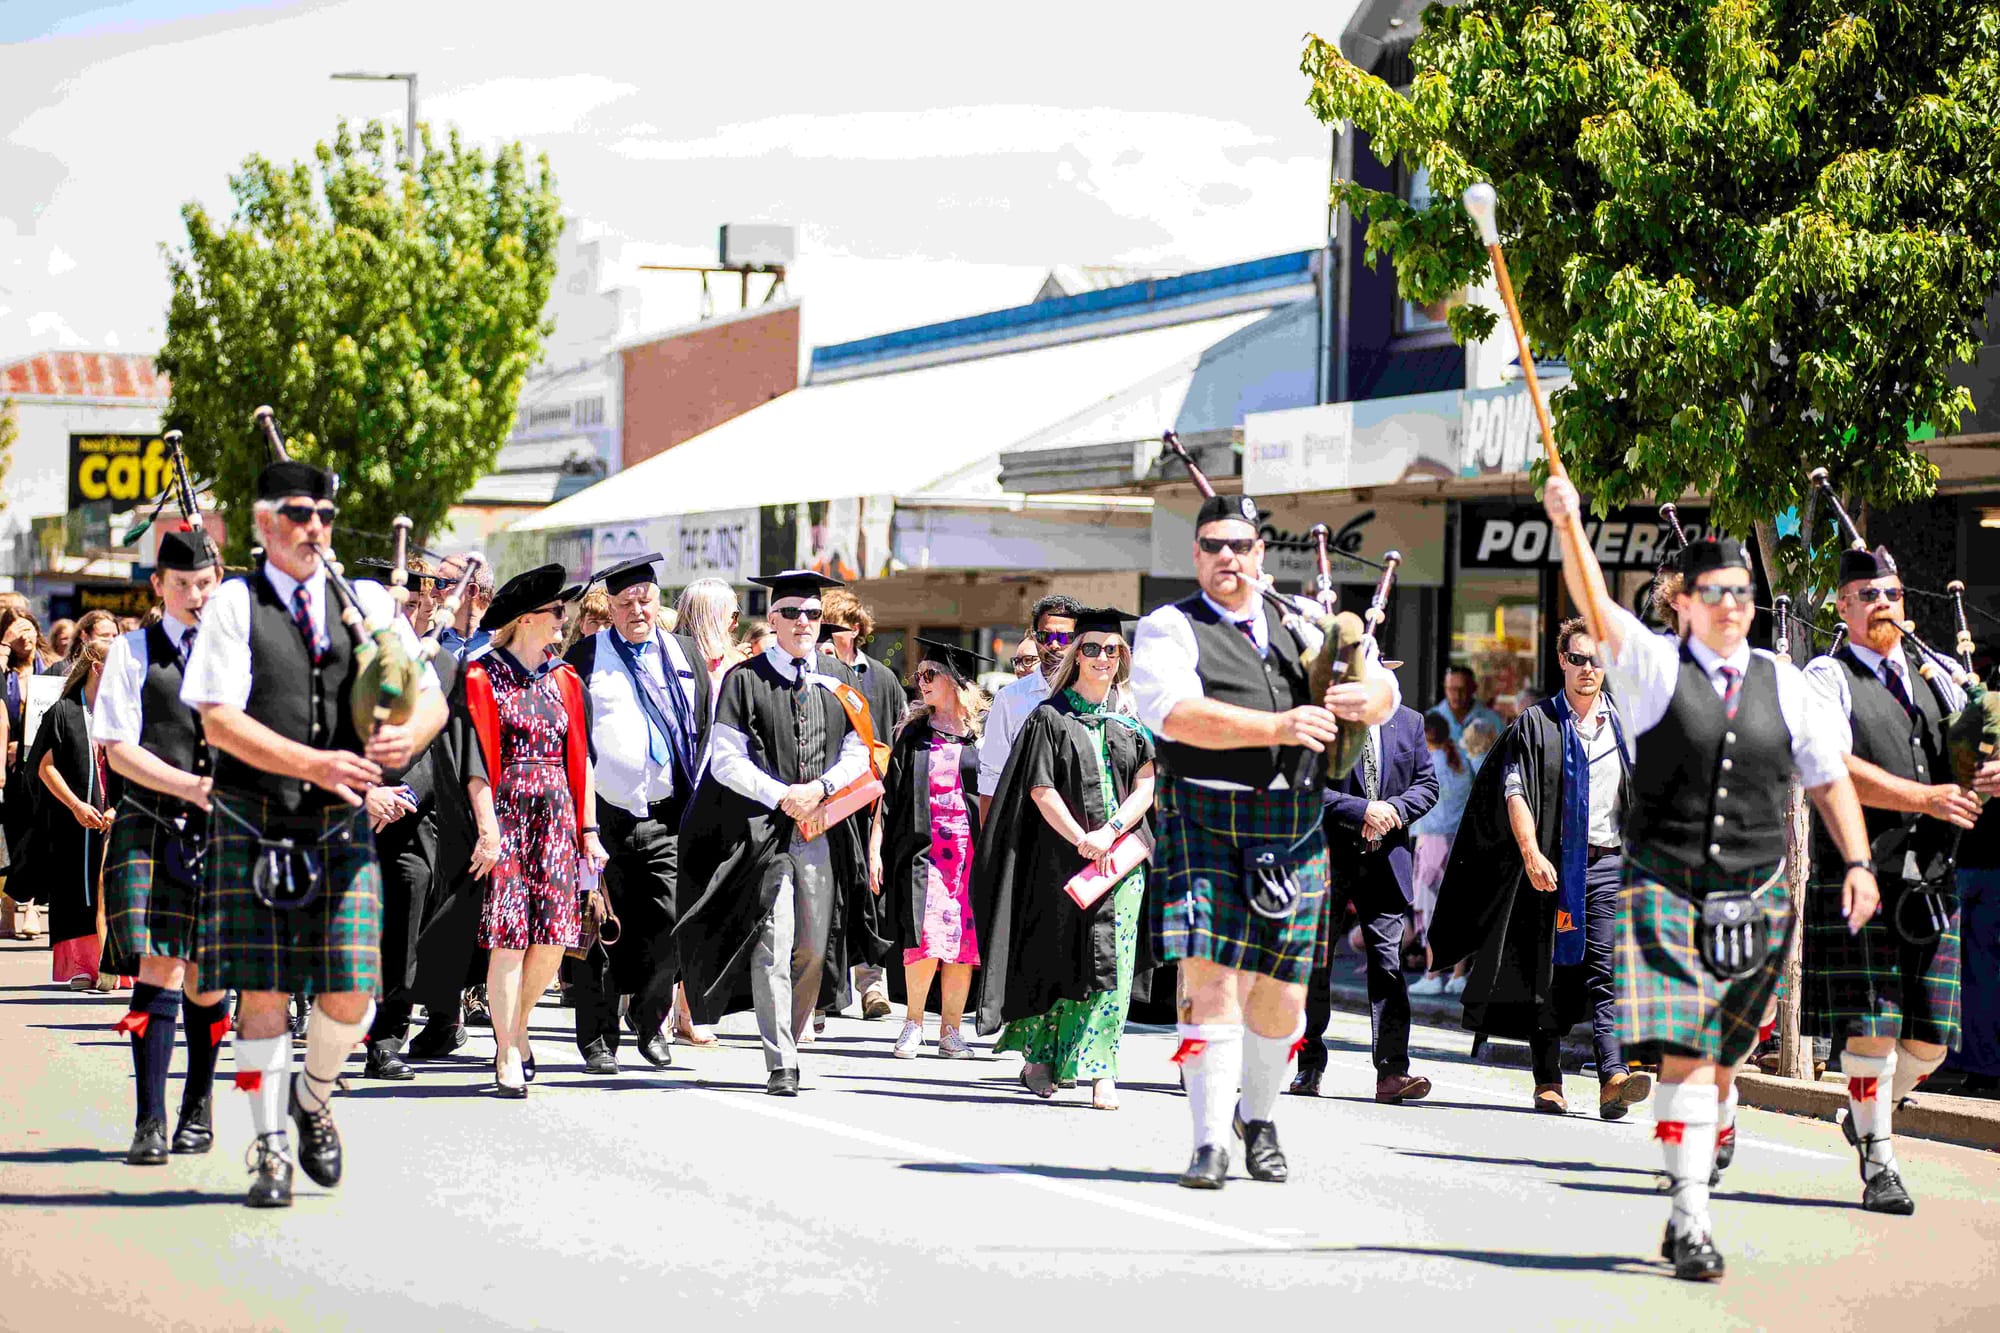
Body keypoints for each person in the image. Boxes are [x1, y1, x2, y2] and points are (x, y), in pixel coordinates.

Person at [1542, 474, 1878, 1280]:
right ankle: (1689, 1216)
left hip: (1758, 894)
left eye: (1741, 591)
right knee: (1688, 1058)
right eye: (1714, 592)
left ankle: (1715, 1119)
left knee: (1724, 1065)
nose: (1732, 603)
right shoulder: (1652, 667)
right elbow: (1593, 601)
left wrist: (1859, 860)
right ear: (1682, 602)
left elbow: (1830, 779)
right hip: (1666, 888)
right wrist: (1568, 528)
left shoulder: (1785, 683)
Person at [180, 456, 447, 1208]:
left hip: (336, 827)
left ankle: (313, 1096)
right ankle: (269, 1150)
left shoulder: (363, 599)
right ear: (265, 523)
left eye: (325, 516)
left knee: (352, 994)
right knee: (262, 996)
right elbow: (218, 719)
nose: (315, 528)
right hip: (255, 818)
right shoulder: (236, 605)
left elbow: (430, 698)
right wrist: (317, 762)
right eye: (299, 514)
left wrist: (405, 739)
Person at [1131, 492, 1399, 1188]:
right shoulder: (1170, 627)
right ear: (1196, 555)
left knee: (1283, 997)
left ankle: (1261, 1114)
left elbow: (1384, 689)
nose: (1228, 557)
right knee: (1211, 979)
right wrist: (1276, 728)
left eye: (1240, 546)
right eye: (1214, 545)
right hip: (1207, 819)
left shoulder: (1300, 621)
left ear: (1258, 554)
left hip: (1293, 827)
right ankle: (1209, 1141)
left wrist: (1367, 702)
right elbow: (1175, 714)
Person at [1798, 546, 1994, 1214]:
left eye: (1893, 593)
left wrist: (1986, 770)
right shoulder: (1828, 675)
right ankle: (1880, 1162)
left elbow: (1974, 761)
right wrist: (1927, 798)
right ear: (1844, 607)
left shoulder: (1939, 674)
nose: (1885, 603)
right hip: (1863, 872)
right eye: (1868, 594)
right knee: (1871, 1028)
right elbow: (1833, 764)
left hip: (1933, 876)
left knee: (1930, 1044)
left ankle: (1869, 1111)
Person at [1426, 617, 1652, 1119]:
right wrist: (1530, 853)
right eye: (1577, 659)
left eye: (1596, 659)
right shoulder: (1537, 723)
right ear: (1561, 662)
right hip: (1550, 867)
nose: (1588, 668)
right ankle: (1548, 1078)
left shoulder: (1624, 725)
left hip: (1607, 864)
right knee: (1547, 971)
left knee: (1604, 968)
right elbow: (1515, 791)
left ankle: (1612, 1074)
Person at [676, 570, 876, 1096]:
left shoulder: (839, 681)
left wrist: (821, 788)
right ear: (774, 620)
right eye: (791, 613)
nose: (803, 623)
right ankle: (780, 1057)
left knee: (813, 946)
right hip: (763, 831)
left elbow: (862, 752)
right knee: (774, 939)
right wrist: (780, 793)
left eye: (812, 614)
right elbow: (725, 759)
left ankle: (796, 1023)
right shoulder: (745, 679)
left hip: (821, 828)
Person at [977, 610, 1157, 1110]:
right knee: (1059, 954)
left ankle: (1101, 1067)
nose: (1103, 657)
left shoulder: (1129, 722)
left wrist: (1112, 832)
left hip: (1121, 865)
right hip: (1062, 861)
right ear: (1078, 654)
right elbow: (1040, 789)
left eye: (1112, 649)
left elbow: (1146, 785)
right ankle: (1042, 1058)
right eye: (1093, 647)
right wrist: (1083, 839)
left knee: (1114, 964)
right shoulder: (1050, 717)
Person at [93, 529, 233, 1163]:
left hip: (225, 831)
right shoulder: (130, 652)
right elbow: (120, 750)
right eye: (182, 586)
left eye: (205, 584)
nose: (196, 596)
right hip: (152, 824)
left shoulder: (241, 655)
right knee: (159, 970)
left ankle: (197, 1107)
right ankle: (150, 1120)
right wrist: (193, 786)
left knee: (209, 980)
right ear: (159, 586)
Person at [563, 553, 712, 1074]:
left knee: (668, 922)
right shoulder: (585, 657)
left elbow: (703, 723)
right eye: (625, 603)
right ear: (612, 607)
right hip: (602, 816)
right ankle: (598, 1038)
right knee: (600, 925)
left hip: (668, 814)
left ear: (658, 599)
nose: (637, 611)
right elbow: (572, 738)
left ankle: (650, 1022)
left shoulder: (684, 654)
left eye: (645, 600)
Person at [461, 564, 601, 1096]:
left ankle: (518, 1026)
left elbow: (580, 759)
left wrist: (589, 830)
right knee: (509, 938)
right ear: (525, 620)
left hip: (558, 817)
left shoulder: (565, 680)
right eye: (555, 613)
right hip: (507, 814)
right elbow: (475, 761)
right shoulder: (482, 675)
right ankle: (504, 1050)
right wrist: (487, 829)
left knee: (553, 938)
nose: (562, 622)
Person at [354, 565, 469, 1081]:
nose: (413, 607)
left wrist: (403, 796)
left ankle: (387, 1037)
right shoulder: (344, 658)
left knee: (407, 908)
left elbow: (442, 744)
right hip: (344, 811)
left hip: (410, 817)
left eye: (419, 598)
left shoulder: (441, 664)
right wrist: (364, 795)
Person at [1291, 698, 1438, 1101]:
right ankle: (1309, 1065)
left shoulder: (1409, 721)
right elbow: (1305, 788)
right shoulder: (1327, 720)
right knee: (1317, 963)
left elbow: (1427, 785)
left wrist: (1392, 810)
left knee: (1389, 965)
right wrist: (1362, 811)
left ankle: (1392, 1072)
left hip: (1386, 862)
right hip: (1329, 858)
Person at [871, 639, 989, 1060]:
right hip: (922, 850)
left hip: (969, 853)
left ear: (955, 682)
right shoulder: (912, 734)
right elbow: (887, 798)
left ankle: (951, 1031)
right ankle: (913, 1023)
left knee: (962, 943)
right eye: (918, 676)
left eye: (929, 675)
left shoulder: (982, 735)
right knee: (923, 938)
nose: (920, 682)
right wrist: (875, 848)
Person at [821, 587, 908, 1021]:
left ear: (855, 630)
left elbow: (892, 745)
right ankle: (823, 992)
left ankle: (871, 984)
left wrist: (881, 817)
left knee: (871, 892)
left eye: (833, 628)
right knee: (828, 895)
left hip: (870, 801)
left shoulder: (882, 679)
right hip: (825, 800)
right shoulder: (817, 673)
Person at [25, 635, 116, 986]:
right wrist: (76, 805)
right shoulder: (63, 711)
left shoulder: (128, 711)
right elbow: (45, 766)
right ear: (97, 668)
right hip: (72, 817)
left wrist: (119, 808)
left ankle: (115, 968)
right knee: (76, 887)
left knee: (114, 889)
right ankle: (81, 965)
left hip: (117, 816)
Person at [979, 595, 1081, 825]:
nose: (1054, 645)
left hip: (1084, 827)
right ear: (1036, 639)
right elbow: (992, 776)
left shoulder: (1096, 695)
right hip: (1025, 825)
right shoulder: (1010, 699)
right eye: (1046, 636)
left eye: (1064, 637)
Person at [1, 605, 44, 940]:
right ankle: (6, 907)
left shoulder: (52, 668)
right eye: (17, 631)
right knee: (10, 836)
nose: (25, 637)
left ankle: (29, 906)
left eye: (28, 628)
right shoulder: (5, 674)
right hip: (8, 767)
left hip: (42, 765)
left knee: (35, 835)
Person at [434, 554, 494, 660]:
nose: (432, 593)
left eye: (441, 583)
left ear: (471, 590)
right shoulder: (430, 642)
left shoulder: (509, 645)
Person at [1429, 665, 1504, 746]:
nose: (1457, 695)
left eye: (1463, 689)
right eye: (1451, 689)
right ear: (1445, 689)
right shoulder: (1430, 720)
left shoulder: (1493, 719)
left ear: (1473, 688)